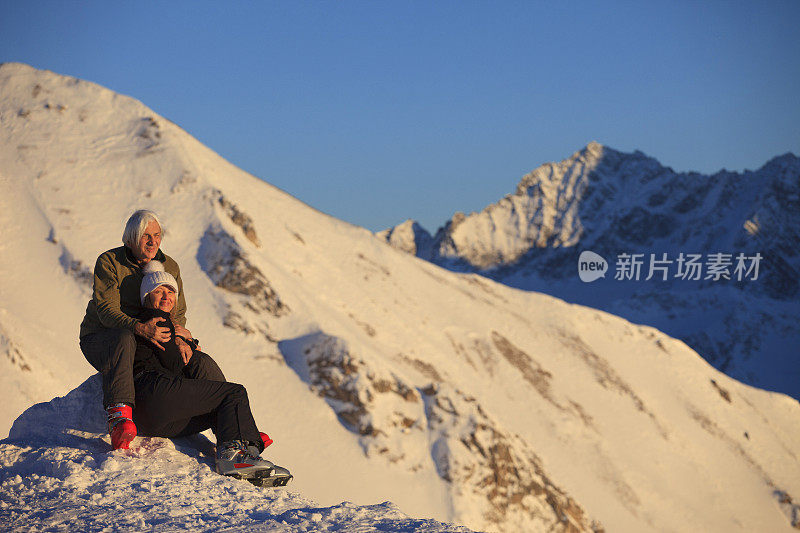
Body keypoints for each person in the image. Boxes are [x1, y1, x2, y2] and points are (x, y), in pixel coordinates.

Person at [130, 261, 290, 485]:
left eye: (171, 292)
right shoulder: (156, 319)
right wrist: (186, 340)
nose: (166, 297)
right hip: (153, 390)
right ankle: (234, 454)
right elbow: (174, 362)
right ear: (147, 296)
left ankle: (246, 456)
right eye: (159, 291)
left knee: (221, 405)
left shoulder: (153, 321)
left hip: (155, 418)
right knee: (233, 393)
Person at [79, 210, 225, 450]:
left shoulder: (170, 266)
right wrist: (139, 327)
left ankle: (232, 428)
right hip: (104, 338)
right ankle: (119, 420)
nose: (152, 241)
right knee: (124, 338)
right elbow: (106, 312)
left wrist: (179, 337)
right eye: (145, 236)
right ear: (130, 240)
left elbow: (177, 312)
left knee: (198, 359)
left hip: (149, 340)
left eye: (157, 235)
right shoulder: (110, 262)